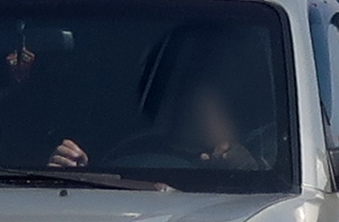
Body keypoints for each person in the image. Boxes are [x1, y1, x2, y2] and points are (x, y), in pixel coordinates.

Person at [48, 69, 261, 172]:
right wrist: (77, 174)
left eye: (215, 101)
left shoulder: (261, 151)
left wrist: (247, 172)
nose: (201, 110)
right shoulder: (128, 148)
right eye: (192, 99)